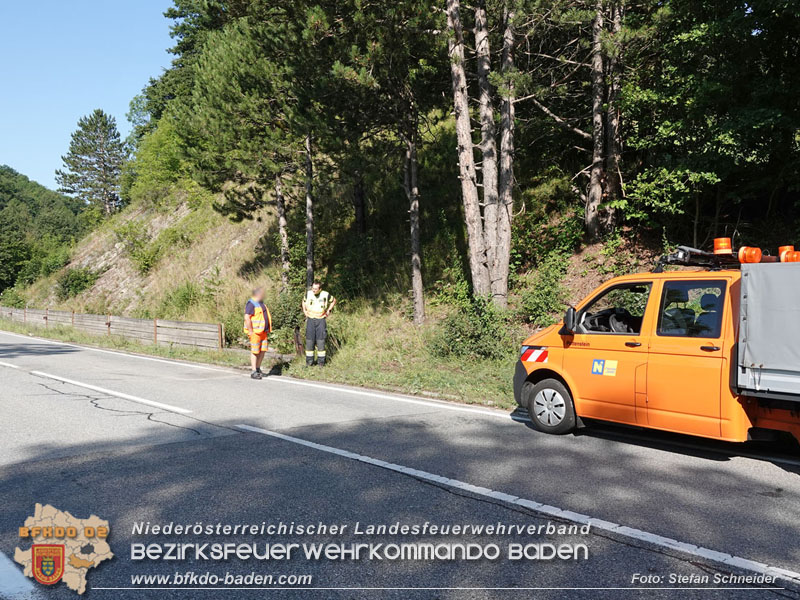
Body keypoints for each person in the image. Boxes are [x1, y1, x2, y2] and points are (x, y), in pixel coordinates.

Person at [302, 281, 336, 366]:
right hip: (310, 319)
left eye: (315, 289)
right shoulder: (308, 294)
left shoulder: (325, 294)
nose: (313, 290)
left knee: (321, 341)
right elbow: (303, 301)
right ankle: (309, 362)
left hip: (320, 320)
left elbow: (333, 300)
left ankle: (321, 363)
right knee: (309, 341)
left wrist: (329, 310)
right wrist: (304, 310)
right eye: (313, 288)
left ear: (320, 289)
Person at [244, 287, 272, 379]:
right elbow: (247, 317)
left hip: (263, 332)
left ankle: (258, 368)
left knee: (262, 351)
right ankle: (253, 371)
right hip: (255, 332)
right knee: (255, 351)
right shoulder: (251, 303)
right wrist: (251, 331)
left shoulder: (261, 303)